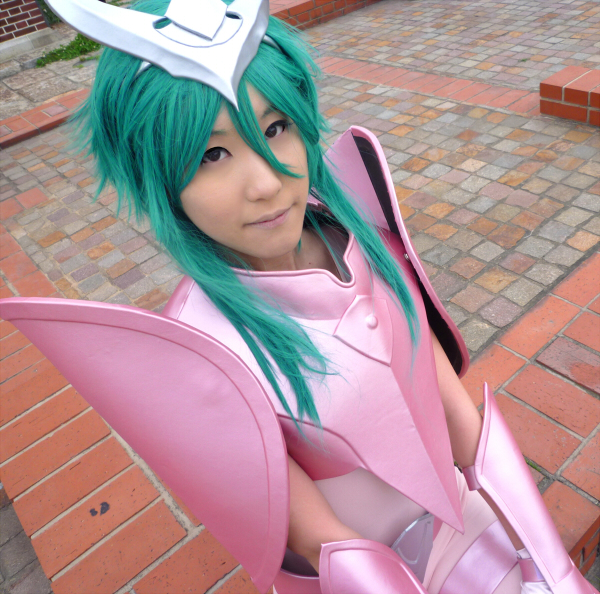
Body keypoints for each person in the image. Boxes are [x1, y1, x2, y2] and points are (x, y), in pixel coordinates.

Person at [1, 0, 596, 593]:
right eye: (211, 154)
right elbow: (323, 542)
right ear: (157, 179)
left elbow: (455, 410)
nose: (266, 183)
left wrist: (553, 567)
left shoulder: (361, 231)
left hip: (468, 520)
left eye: (275, 128)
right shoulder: (201, 351)